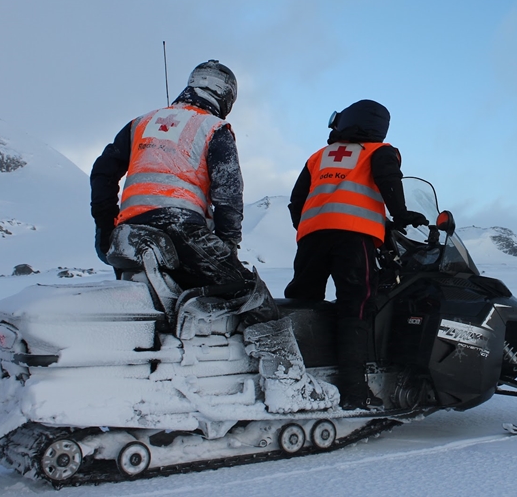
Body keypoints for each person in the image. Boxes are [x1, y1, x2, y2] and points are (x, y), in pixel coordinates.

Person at [90, 60, 278, 323]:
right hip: (180, 229)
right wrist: (228, 246)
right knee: (252, 295)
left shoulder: (140, 123)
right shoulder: (212, 127)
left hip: (128, 234)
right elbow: (229, 193)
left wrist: (105, 227)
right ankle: (283, 362)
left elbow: (102, 172)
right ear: (225, 95)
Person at [285, 99, 428, 410]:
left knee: (303, 299)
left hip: (312, 237)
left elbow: (297, 201)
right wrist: (400, 215)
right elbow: (387, 180)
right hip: (354, 237)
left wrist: (314, 225)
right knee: (356, 305)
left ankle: (289, 373)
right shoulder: (379, 151)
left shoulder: (318, 157)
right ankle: (354, 390)